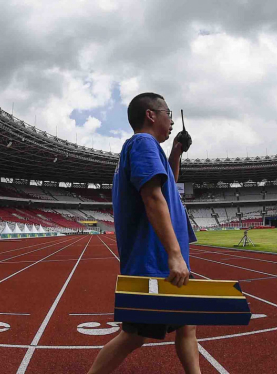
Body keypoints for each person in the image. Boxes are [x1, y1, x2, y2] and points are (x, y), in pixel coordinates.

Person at [88, 93, 199, 374]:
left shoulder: (149, 149)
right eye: (168, 113)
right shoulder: (143, 143)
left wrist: (176, 152)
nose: (172, 120)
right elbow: (152, 197)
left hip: (162, 259)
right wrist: (174, 255)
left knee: (188, 326)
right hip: (154, 262)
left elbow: (168, 185)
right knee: (134, 336)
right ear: (151, 115)